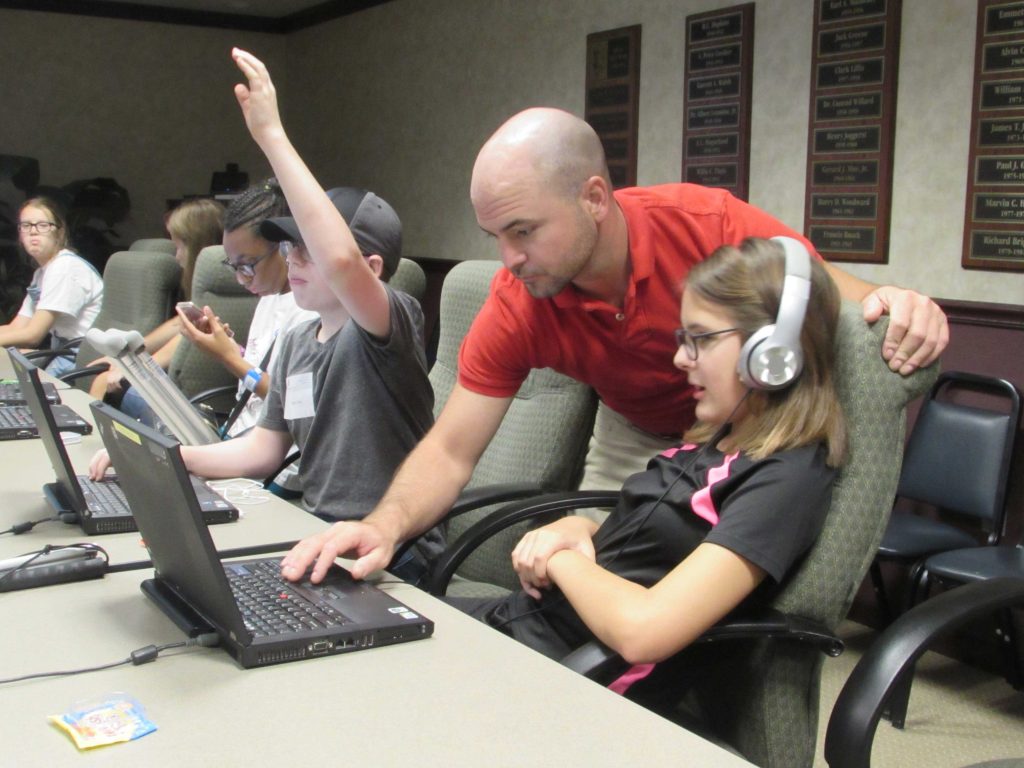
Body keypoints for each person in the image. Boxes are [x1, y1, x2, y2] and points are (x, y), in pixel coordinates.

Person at [280, 107, 947, 585]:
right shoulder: (520, 300)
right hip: (635, 432)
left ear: (594, 198)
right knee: (586, 576)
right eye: (494, 238)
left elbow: (821, 286)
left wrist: (899, 299)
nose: (509, 259)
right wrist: (385, 525)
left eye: (523, 231)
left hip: (737, 429)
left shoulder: (704, 225)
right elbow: (452, 449)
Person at [91, 48, 439, 579]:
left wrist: (272, 137)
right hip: (314, 529)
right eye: (288, 249)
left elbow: (342, 261)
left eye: (307, 250)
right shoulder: (299, 338)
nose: (293, 259)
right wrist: (170, 458)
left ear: (371, 268)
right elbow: (263, 448)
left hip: (392, 549)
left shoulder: (390, 324)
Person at [450, 236, 844, 700]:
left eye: (700, 339)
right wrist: (579, 527)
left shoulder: (786, 479)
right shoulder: (722, 437)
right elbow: (645, 549)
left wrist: (561, 560)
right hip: (524, 629)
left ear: (772, 355)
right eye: (683, 339)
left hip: (559, 679)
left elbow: (645, 632)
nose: (680, 358)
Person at [175, 180, 316, 440]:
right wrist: (230, 348)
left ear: (286, 247)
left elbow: (292, 405)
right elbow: (261, 371)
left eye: (248, 265)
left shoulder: (311, 312)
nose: (241, 279)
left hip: (277, 463)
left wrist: (229, 358)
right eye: (234, 266)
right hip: (239, 437)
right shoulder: (269, 298)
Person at [88, 197, 225, 407]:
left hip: (202, 391)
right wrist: (126, 357)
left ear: (198, 246)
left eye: (179, 247)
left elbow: (189, 334)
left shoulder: (225, 286)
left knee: (105, 385)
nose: (177, 257)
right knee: (102, 379)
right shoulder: (207, 285)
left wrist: (137, 367)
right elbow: (180, 323)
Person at [0, 197, 103, 375]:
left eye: (43, 225)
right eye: (26, 225)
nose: (33, 232)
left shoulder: (65, 267)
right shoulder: (42, 273)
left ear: (59, 232)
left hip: (82, 357)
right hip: (62, 350)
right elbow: (18, 327)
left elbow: (33, 335)